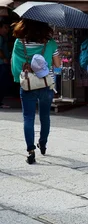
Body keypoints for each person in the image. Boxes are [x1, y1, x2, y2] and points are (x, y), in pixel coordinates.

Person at [10, 19, 61, 164]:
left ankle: (30, 151)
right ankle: (43, 143)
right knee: (45, 116)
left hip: (27, 85)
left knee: (28, 117)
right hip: (46, 84)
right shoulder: (50, 43)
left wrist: (17, 78)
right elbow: (57, 65)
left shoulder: (19, 43)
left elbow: (15, 65)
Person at [0, 18, 11, 109]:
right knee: (2, 82)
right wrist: (4, 58)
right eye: (5, 28)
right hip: (1, 63)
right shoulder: (0, 37)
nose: (7, 30)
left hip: (3, 63)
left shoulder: (3, 38)